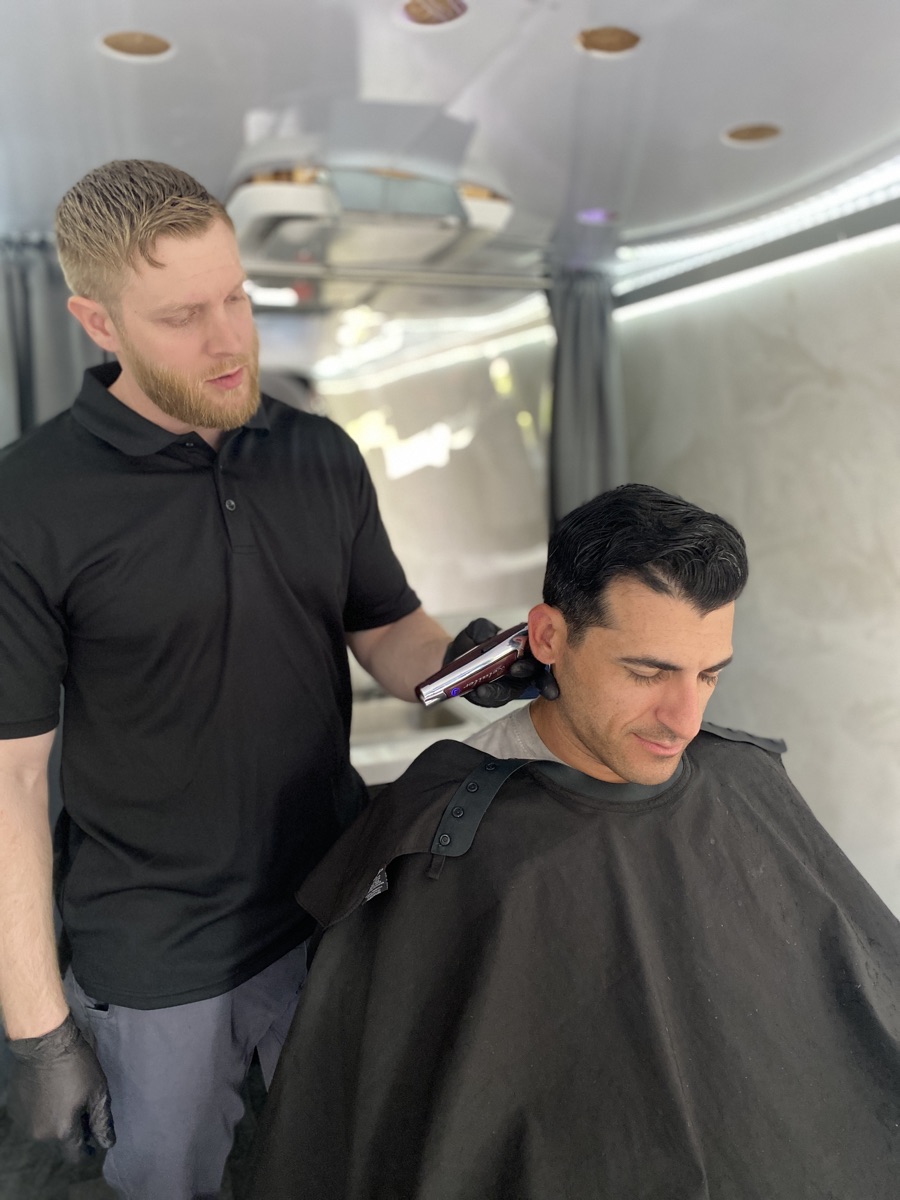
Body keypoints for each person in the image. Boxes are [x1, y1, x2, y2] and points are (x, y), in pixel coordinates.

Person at [0, 159, 549, 1200]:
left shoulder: (320, 455)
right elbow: (12, 781)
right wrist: (38, 1032)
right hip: (155, 949)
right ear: (97, 322)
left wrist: (462, 667)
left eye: (236, 297)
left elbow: (386, 630)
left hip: (328, 902)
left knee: (338, 1161)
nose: (229, 339)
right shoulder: (28, 502)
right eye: (182, 316)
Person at [247, 483, 900, 1200]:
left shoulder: (743, 776)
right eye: (647, 672)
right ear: (549, 638)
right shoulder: (449, 832)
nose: (684, 719)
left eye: (709, 674)